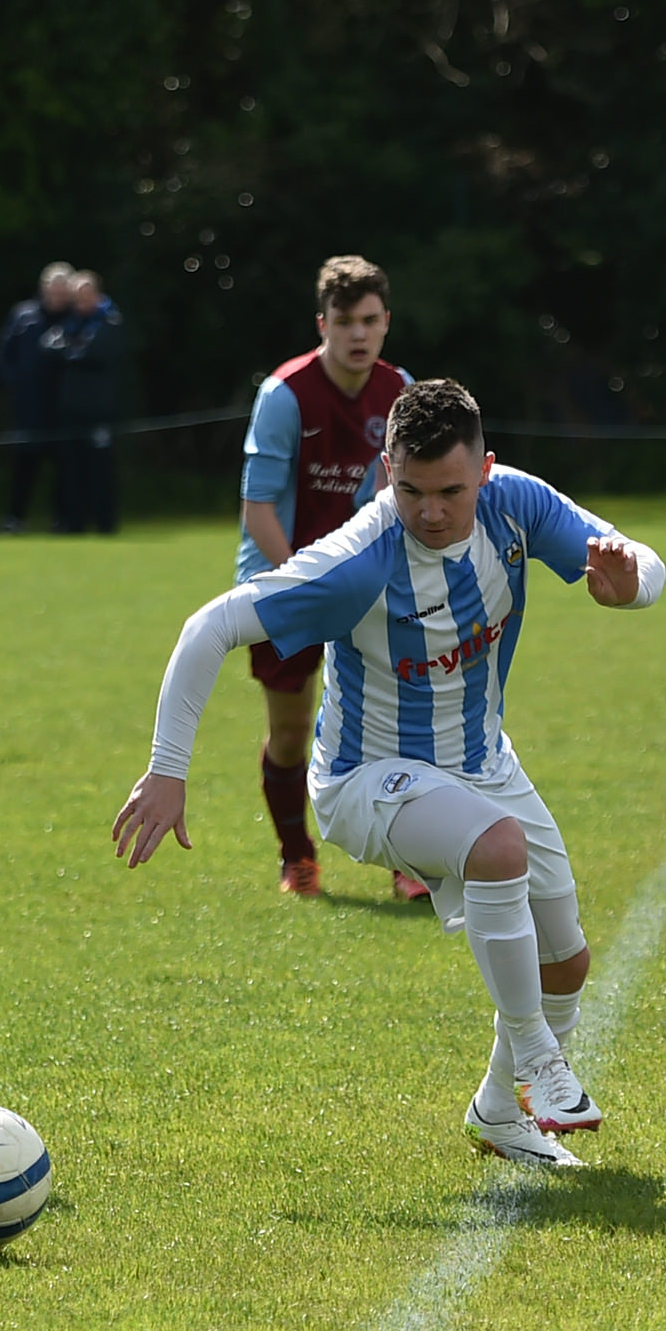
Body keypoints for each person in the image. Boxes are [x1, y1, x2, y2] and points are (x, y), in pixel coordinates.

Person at [112, 378, 666, 1168]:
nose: (430, 511)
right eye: (411, 490)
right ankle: (539, 1063)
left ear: (485, 471)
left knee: (565, 962)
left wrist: (631, 587)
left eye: (450, 492)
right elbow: (212, 625)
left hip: (483, 763)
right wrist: (167, 772)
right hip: (367, 781)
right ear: (385, 473)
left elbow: (638, 557)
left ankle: (497, 1114)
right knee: (500, 848)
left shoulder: (516, 506)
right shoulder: (361, 559)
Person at [235, 254, 420, 902]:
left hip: (368, 582)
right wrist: (304, 584)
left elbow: (407, 495)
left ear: (387, 321)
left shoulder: (401, 391)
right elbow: (257, 508)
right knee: (291, 733)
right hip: (284, 580)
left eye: (369, 321)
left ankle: (409, 862)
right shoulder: (284, 395)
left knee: (397, 728)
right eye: (345, 322)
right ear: (323, 325)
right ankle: (297, 856)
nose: (358, 335)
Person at [0, 262, 74, 533]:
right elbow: (4, 354)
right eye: (53, 291)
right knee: (24, 464)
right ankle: (15, 518)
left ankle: (62, 519)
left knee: (64, 467)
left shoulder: (75, 319)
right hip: (28, 405)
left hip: (63, 406)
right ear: (43, 288)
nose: (57, 297)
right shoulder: (23, 316)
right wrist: (15, 385)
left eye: (62, 292)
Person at [54, 271, 125, 534]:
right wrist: (72, 352)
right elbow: (47, 347)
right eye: (76, 298)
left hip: (100, 409)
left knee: (101, 468)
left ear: (96, 294)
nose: (80, 303)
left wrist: (68, 352)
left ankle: (105, 523)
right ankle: (74, 523)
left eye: (85, 297)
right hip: (71, 408)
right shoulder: (69, 322)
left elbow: (94, 354)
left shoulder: (110, 321)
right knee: (72, 469)